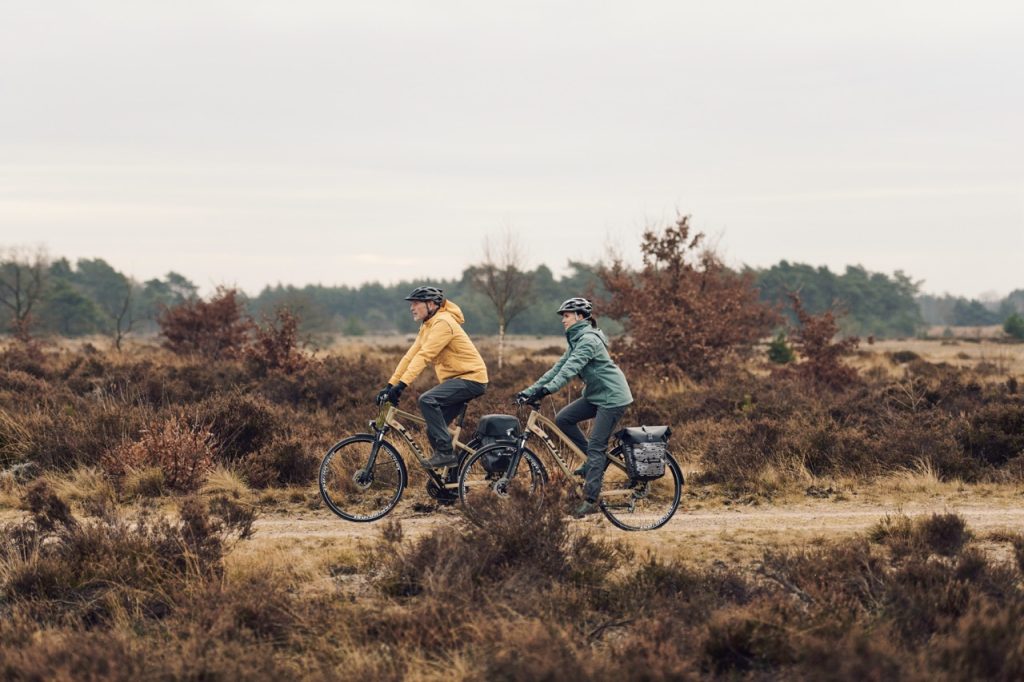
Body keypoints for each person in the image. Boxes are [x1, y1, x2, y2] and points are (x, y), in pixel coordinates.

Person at [516, 297, 633, 518]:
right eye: (563, 316)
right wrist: (530, 390)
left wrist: (548, 390)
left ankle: (591, 498)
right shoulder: (577, 340)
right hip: (596, 395)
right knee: (563, 420)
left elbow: (570, 369)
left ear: (580, 316)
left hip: (612, 397)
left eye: (567, 315)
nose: (563, 320)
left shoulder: (588, 341)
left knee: (597, 446)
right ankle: (592, 462)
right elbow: (557, 368)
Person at [376, 286, 489, 469]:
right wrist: (390, 385)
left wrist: (402, 385)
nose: (412, 308)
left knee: (427, 400)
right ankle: (453, 477)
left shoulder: (443, 323)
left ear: (431, 304)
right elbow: (410, 356)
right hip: (457, 380)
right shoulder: (427, 325)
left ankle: (445, 453)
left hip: (471, 378)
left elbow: (425, 356)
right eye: (411, 304)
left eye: (416, 303)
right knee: (434, 431)